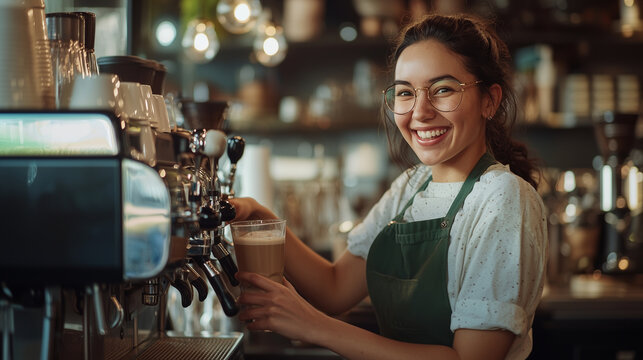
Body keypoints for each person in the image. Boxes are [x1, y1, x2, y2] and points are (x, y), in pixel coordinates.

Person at [229, 13, 548, 360]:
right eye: (405, 93)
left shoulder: (501, 198)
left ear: (490, 100)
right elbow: (334, 287)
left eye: (442, 90)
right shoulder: (411, 188)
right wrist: (259, 216)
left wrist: (311, 325)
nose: (420, 112)